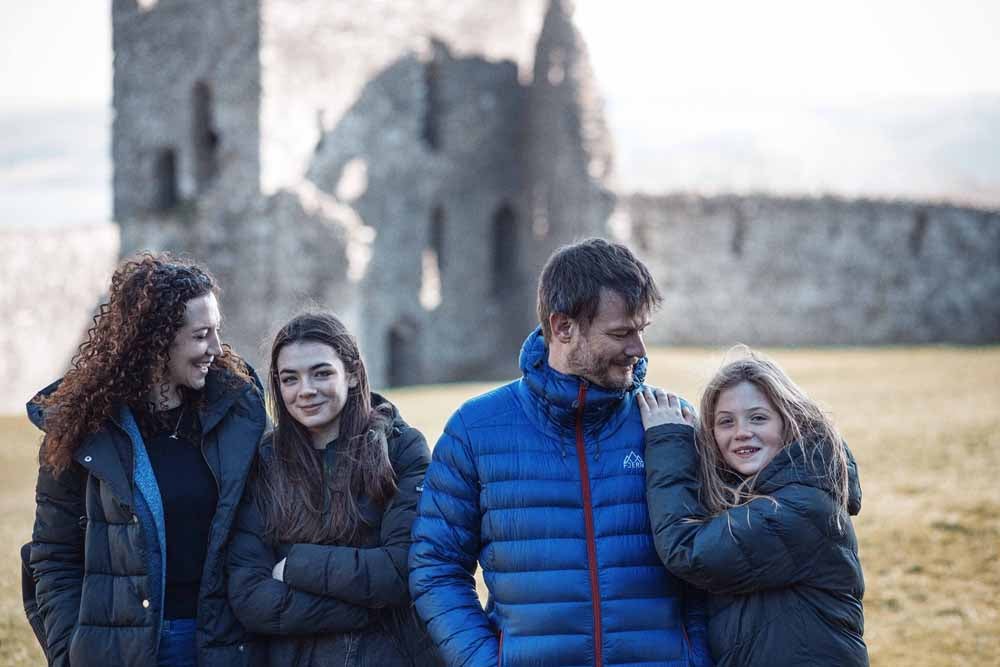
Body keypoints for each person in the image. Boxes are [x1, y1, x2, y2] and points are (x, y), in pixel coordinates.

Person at [409, 238, 712, 667]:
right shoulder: (475, 430)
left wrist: (694, 656)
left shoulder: (670, 423)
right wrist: (483, 660)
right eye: (622, 333)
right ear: (563, 327)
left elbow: (708, 560)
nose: (639, 350)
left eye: (642, 331)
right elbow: (435, 566)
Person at [27, 253, 267, 667]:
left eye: (217, 332)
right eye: (201, 335)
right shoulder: (84, 427)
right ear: (156, 340)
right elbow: (53, 555)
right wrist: (73, 649)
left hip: (225, 643)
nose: (216, 348)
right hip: (127, 650)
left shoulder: (236, 408)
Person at [226, 312, 442, 666]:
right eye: (289, 379)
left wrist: (294, 565)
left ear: (353, 373)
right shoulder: (264, 461)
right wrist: (366, 608)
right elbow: (250, 595)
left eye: (321, 372)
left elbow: (400, 570)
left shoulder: (401, 447)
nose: (306, 390)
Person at [640, 350, 869, 666]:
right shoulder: (757, 497)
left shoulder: (805, 509)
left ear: (791, 421)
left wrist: (669, 444)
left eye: (758, 417)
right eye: (725, 422)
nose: (741, 432)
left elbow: (689, 552)